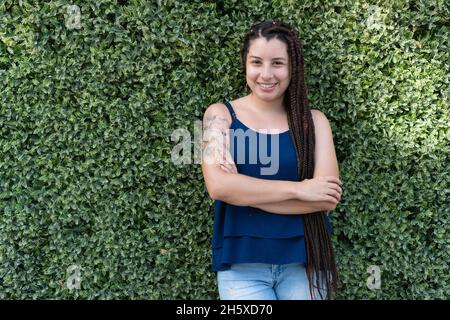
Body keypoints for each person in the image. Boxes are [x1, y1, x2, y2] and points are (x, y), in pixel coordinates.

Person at [201, 19, 343, 300]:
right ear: (245, 64)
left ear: (292, 68)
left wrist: (241, 190)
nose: (266, 74)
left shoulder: (314, 122)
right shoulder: (219, 116)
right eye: (256, 62)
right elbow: (218, 187)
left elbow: (326, 198)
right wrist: (300, 190)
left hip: (305, 261)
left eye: (277, 63)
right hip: (241, 266)